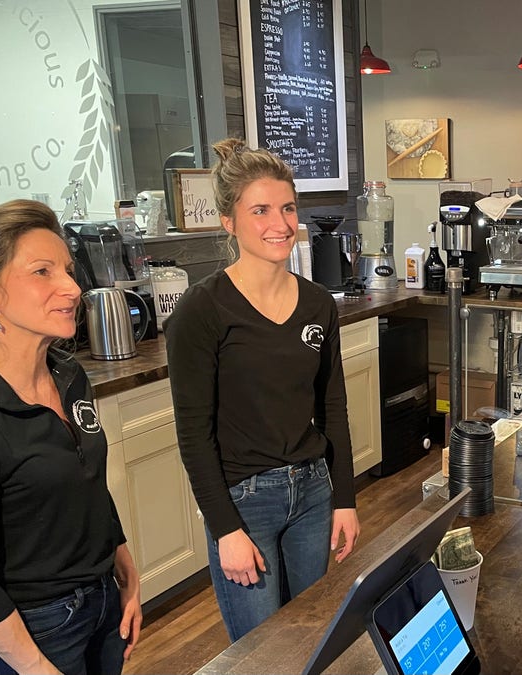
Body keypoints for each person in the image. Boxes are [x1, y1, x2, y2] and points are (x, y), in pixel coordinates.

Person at [0, 199, 141, 674]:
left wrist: (124, 571)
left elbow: (87, 483)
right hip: (33, 628)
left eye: (67, 269)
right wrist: (37, 669)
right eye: (42, 272)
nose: (72, 288)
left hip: (102, 603)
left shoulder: (70, 376)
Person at [165, 138, 360, 642]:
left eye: (288, 207)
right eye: (260, 210)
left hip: (313, 492)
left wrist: (345, 498)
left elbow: (331, 407)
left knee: (311, 636)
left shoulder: (318, 305)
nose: (281, 223)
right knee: (262, 652)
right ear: (228, 221)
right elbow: (193, 433)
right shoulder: (201, 311)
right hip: (245, 502)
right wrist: (225, 529)